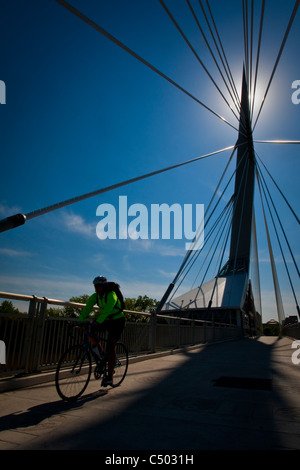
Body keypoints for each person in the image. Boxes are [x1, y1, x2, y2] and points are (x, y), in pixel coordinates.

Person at [77, 276, 125, 386]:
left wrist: (97, 322)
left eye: (99, 286)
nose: (97, 288)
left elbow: (106, 311)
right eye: (95, 286)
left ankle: (110, 377)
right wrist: (79, 321)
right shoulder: (95, 296)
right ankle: (101, 355)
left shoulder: (111, 295)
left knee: (111, 345)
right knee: (87, 330)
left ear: (104, 286)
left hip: (117, 321)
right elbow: (87, 308)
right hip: (106, 320)